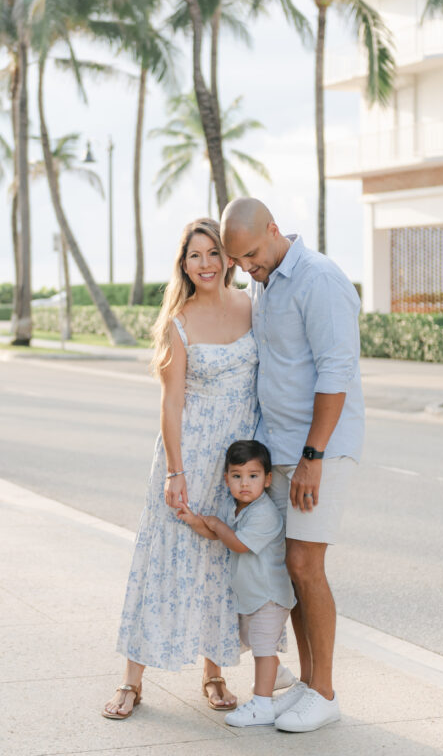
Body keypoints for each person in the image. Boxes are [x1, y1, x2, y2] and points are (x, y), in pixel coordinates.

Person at [102, 218, 259, 720]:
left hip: (236, 462)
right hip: (189, 455)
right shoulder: (179, 320)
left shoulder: (253, 308)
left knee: (220, 567)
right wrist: (176, 472)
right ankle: (131, 682)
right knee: (163, 564)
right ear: (184, 264)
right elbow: (171, 404)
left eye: (213, 252)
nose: (206, 263)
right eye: (195, 255)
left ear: (228, 257)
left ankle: (214, 674)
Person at [220, 198, 364, 734]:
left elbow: (336, 371)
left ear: (275, 230)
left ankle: (324, 692)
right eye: (238, 261)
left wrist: (312, 457)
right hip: (280, 450)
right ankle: (307, 684)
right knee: (289, 569)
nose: (246, 267)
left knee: (305, 564)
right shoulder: (265, 279)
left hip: (318, 451)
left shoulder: (320, 279)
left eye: (252, 254)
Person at [177, 439, 296, 728]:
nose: (245, 484)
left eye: (253, 476)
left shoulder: (265, 514)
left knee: (263, 649)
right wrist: (195, 521)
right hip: (251, 596)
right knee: (255, 643)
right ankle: (278, 676)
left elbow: (238, 543)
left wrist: (218, 524)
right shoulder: (238, 507)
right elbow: (219, 535)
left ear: (267, 480)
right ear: (227, 478)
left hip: (269, 596)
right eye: (237, 476)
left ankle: (261, 703)